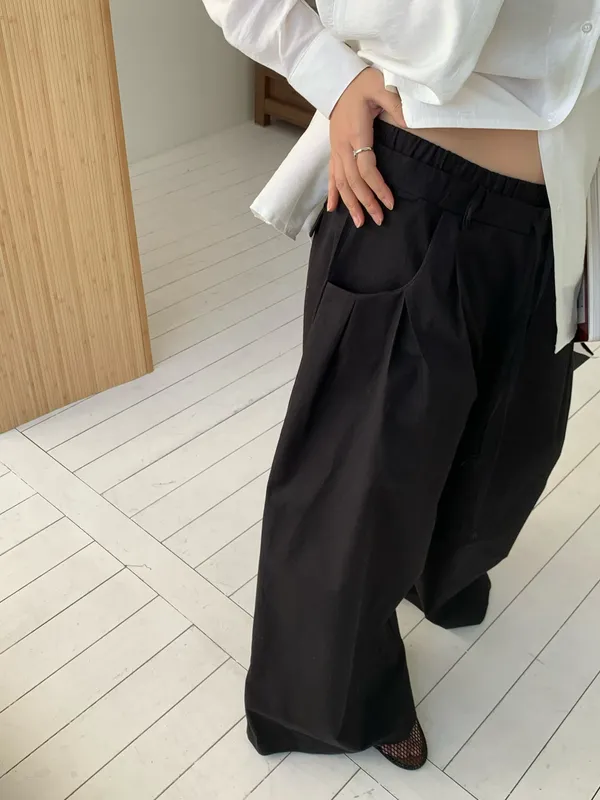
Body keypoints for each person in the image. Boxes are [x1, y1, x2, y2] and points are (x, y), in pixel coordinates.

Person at [202, 0, 600, 770]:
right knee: (355, 491)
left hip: (554, 207)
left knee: (508, 459)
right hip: (407, 182)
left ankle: (433, 573)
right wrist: (329, 73)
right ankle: (332, 701)